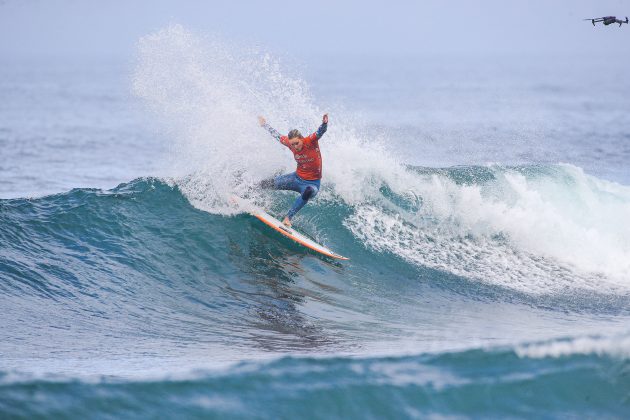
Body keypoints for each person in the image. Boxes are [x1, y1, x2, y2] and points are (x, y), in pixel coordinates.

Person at [257, 113, 328, 227]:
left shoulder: (310, 141)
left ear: (301, 139)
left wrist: (324, 123)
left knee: (308, 191)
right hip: (295, 178)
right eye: (292, 144)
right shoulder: (290, 144)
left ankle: (288, 218)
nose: (295, 146)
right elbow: (277, 135)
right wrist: (264, 125)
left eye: (297, 143)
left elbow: (320, 132)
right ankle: (246, 194)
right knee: (266, 183)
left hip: (312, 184)